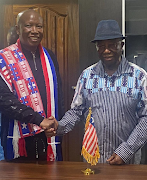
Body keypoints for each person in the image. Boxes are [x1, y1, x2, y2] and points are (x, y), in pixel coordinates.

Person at [46, 20, 147, 165]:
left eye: (112, 45)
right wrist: (59, 126)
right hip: (93, 161)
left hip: (127, 161)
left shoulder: (139, 76)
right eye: (101, 46)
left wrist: (126, 150)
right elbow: (76, 111)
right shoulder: (87, 75)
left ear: (121, 46)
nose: (106, 50)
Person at [0, 9, 64, 161]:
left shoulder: (50, 56)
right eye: (29, 25)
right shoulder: (3, 59)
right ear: (18, 29)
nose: (34, 31)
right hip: (19, 139)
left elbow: (58, 94)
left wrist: (56, 125)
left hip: (47, 135)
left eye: (39, 26)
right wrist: (38, 120)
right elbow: (5, 101)